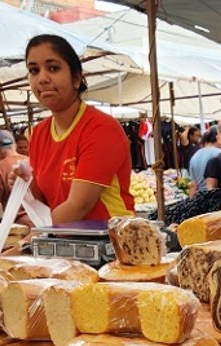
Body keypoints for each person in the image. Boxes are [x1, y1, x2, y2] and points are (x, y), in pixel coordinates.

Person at [18, 34, 134, 222]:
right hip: (65, 242)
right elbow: (44, 201)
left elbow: (78, 206)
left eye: (53, 68)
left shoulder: (101, 129)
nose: (42, 78)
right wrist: (25, 185)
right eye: (34, 70)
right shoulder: (37, 133)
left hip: (110, 242)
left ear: (76, 78)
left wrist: (32, 238)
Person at [187, 128, 220, 193]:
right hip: (217, 198)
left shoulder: (194, 156)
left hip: (200, 198)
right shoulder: (220, 154)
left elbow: (193, 186)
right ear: (218, 138)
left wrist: (191, 202)